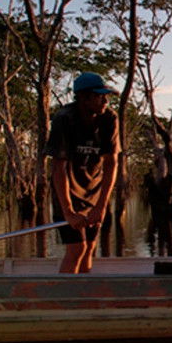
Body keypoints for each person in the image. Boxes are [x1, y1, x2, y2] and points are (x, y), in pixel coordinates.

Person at [46, 72, 120, 273]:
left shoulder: (109, 118)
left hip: (94, 192)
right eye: (99, 96)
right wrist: (68, 212)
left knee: (89, 249)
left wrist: (101, 206)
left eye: (106, 96)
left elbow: (111, 163)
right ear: (83, 97)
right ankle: (65, 300)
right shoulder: (64, 119)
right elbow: (58, 168)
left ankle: (85, 295)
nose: (105, 100)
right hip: (67, 194)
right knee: (77, 248)